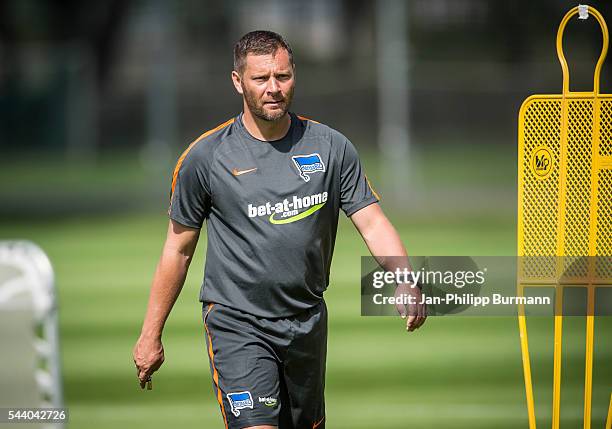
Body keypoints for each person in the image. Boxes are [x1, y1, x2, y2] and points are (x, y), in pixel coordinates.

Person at [133, 30, 426, 429]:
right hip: (237, 322)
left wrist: (404, 279)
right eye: (261, 78)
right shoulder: (205, 157)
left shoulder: (330, 147)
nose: (274, 88)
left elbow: (372, 221)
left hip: (306, 321)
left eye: (283, 77)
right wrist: (151, 334)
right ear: (238, 82)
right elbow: (178, 250)